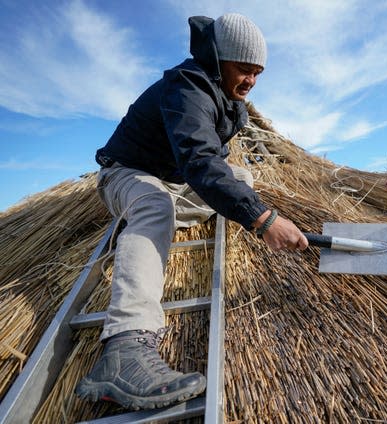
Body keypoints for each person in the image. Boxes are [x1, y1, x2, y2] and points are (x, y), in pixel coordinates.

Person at [75, 13, 308, 411]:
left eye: (258, 73)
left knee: (240, 177)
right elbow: (199, 161)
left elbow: (213, 165)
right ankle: (125, 347)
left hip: (173, 179)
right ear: (218, 59)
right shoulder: (186, 87)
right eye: (243, 69)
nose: (251, 81)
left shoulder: (231, 104)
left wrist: (241, 201)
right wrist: (264, 219)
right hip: (127, 175)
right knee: (153, 204)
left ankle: (153, 227)